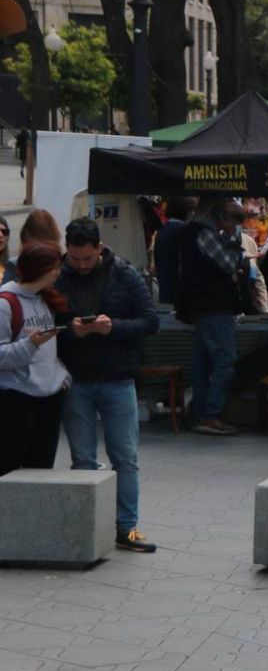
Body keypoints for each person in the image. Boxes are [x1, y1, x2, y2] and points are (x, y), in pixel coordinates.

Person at [54, 218, 160, 552]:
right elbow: (46, 327)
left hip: (117, 377)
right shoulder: (57, 276)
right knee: (82, 458)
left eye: (87, 258)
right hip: (77, 379)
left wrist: (112, 327)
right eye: (75, 259)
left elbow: (150, 322)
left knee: (125, 457)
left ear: (99, 249)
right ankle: (89, 527)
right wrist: (71, 330)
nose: (81, 265)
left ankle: (127, 527)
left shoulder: (125, 275)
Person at [176, 198, 248, 436]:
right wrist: (235, 239)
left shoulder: (194, 231)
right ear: (223, 218)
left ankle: (198, 414)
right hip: (214, 307)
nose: (236, 226)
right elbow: (228, 264)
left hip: (201, 307)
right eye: (234, 221)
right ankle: (209, 413)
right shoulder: (206, 233)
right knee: (224, 363)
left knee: (202, 364)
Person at [0, 244, 71, 476]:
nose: (59, 272)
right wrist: (31, 344)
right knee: (10, 469)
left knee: (41, 472)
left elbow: (50, 349)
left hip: (50, 396)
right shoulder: (5, 303)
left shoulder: (46, 299)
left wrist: (62, 376)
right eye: (55, 268)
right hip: (16, 398)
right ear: (40, 270)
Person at [153, 197, 197, 305]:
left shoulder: (160, 232)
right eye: (192, 210)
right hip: (182, 292)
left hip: (165, 288)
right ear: (187, 211)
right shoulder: (185, 231)